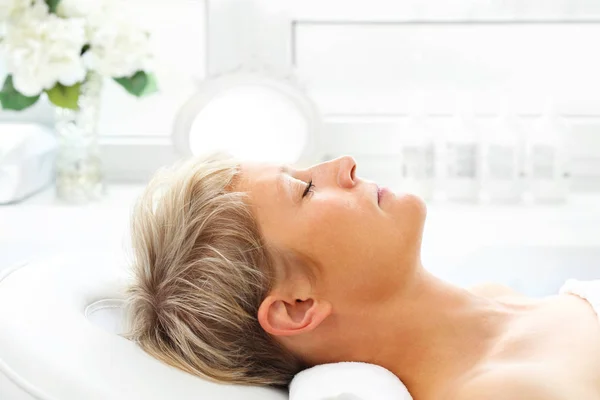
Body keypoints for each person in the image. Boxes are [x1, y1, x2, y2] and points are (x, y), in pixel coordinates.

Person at [125, 153, 600, 399]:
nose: (345, 164)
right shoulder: (500, 393)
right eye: (306, 189)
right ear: (297, 306)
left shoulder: (495, 297)